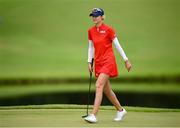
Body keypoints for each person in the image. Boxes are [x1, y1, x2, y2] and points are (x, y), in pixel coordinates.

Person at [84, 8, 132, 123]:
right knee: (107, 90)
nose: (94, 17)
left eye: (96, 15)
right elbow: (91, 47)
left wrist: (126, 60)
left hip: (108, 61)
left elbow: (117, 46)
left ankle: (93, 115)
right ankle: (120, 110)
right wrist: (89, 61)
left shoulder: (109, 30)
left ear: (102, 17)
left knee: (99, 85)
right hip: (99, 63)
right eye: (92, 15)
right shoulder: (90, 31)